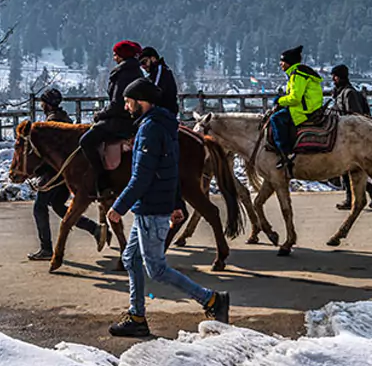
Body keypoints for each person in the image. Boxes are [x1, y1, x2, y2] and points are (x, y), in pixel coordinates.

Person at [106, 78, 230, 337]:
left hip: (151, 207)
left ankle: (211, 300)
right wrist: (176, 203)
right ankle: (137, 317)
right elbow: (171, 167)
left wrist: (118, 207)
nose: (127, 107)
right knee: (130, 258)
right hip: (153, 205)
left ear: (141, 101)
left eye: (129, 102)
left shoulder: (150, 129)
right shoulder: (163, 125)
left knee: (157, 269)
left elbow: (142, 176)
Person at [27, 88, 104, 260]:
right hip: (65, 173)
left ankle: (46, 249)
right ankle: (94, 229)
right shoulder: (64, 118)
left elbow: (50, 155)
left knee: (39, 207)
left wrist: (38, 172)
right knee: (59, 206)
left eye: (42, 102)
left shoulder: (52, 123)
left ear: (46, 104)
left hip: (55, 173)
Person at [79, 40, 145, 198]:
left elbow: (117, 104)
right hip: (128, 118)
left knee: (86, 141)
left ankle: (102, 180)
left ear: (122, 56)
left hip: (120, 120)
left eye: (116, 54)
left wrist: (100, 114)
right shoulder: (135, 71)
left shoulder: (123, 74)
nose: (114, 57)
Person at [330, 64, 372, 210]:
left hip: (352, 138)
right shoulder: (341, 93)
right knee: (347, 170)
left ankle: (354, 197)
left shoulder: (349, 93)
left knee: (347, 169)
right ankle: (370, 191)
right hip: (344, 137)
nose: (333, 79)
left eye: (335, 76)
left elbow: (355, 117)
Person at [270, 45, 323, 170]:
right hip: (309, 105)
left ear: (289, 62)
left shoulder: (297, 74)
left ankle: (285, 152)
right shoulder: (298, 72)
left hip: (305, 109)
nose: (280, 64)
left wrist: (279, 100)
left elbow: (295, 98)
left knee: (276, 119)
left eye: (282, 61)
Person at [139, 46, 179, 116]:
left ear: (153, 59)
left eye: (144, 62)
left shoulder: (162, 71)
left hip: (164, 113)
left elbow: (156, 91)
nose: (143, 66)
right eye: (141, 64)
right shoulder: (154, 73)